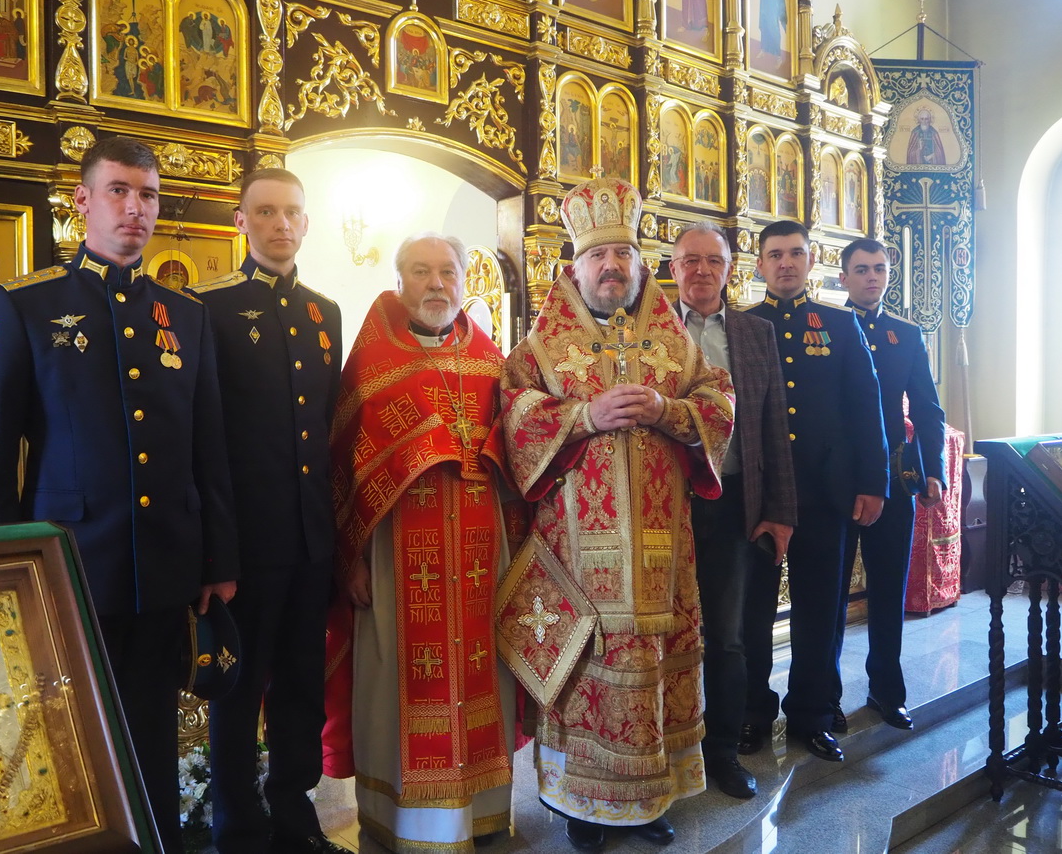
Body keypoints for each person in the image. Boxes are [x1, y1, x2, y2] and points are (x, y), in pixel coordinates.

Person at [0, 135, 238, 853]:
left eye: (147, 194)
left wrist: (218, 558)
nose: (135, 208)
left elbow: (207, 449)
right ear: (83, 201)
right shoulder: (26, 304)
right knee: (71, 733)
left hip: (168, 565)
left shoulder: (186, 315)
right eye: (118, 190)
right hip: (70, 567)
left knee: (156, 731)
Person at [499, 178, 734, 851]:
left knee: (654, 668)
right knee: (584, 671)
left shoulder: (674, 342)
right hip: (575, 554)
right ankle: (580, 805)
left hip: (662, 552)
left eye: (623, 256)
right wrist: (581, 416)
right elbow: (513, 416)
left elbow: (719, 403)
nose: (611, 268)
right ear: (574, 267)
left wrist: (670, 413)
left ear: (638, 265)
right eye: (598, 258)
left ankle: (649, 796)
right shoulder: (540, 346)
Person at [325, 233, 517, 854]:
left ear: (466, 280)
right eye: (420, 272)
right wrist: (351, 555)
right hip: (396, 553)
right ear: (400, 279)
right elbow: (343, 469)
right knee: (397, 678)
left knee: (482, 673)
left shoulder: (491, 360)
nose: (436, 283)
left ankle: (484, 813)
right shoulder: (372, 361)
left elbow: (515, 446)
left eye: (447, 272)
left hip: (482, 552)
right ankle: (406, 823)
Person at [190, 168, 346, 854]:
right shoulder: (206, 309)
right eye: (266, 212)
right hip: (246, 548)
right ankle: (239, 829)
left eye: (291, 212)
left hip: (312, 541)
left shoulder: (324, 312)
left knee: (300, 689)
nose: (280, 224)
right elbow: (204, 443)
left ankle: (293, 811)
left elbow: (327, 432)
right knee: (238, 689)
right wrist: (215, 555)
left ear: (306, 224)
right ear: (241, 221)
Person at [743, 220, 888, 763]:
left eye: (795, 254)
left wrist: (873, 482)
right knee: (752, 612)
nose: (785, 263)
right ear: (758, 264)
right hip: (758, 495)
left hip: (827, 492)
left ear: (810, 262)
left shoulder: (838, 324)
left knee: (820, 609)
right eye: (775, 254)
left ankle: (813, 712)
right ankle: (753, 711)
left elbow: (865, 408)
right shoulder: (742, 325)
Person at [669, 222, 796, 799]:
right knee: (658, 636)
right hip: (662, 506)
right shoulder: (648, 332)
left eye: (711, 261)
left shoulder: (754, 332)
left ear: (728, 268)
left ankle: (721, 752)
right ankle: (662, 758)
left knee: (727, 637)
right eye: (689, 261)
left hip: (731, 506)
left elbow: (773, 429)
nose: (700, 271)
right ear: (672, 269)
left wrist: (779, 511)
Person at [835, 238, 946, 730]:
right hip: (836, 478)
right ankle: (823, 697)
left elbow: (926, 408)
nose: (871, 278)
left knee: (887, 587)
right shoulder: (826, 329)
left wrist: (934, 469)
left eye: (879, 269)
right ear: (844, 277)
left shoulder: (906, 333)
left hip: (895, 476)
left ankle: (886, 689)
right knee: (830, 594)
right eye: (861, 270)